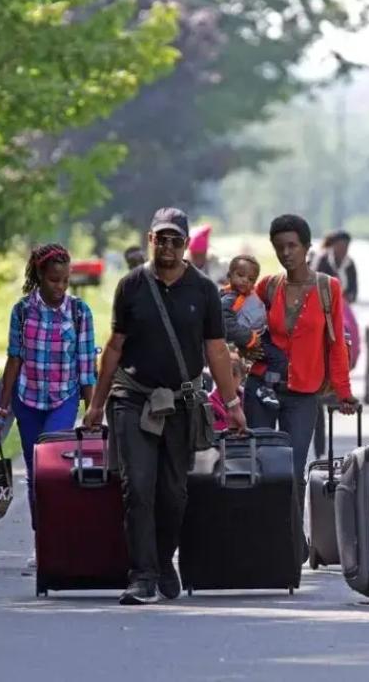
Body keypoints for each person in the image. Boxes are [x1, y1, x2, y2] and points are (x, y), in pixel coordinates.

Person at [83, 207, 247, 605]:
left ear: (186, 245)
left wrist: (232, 403)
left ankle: (162, 559)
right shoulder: (131, 286)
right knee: (137, 488)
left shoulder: (203, 290)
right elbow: (115, 347)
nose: (168, 247)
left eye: (176, 240)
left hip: (181, 403)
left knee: (174, 494)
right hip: (132, 398)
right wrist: (96, 403)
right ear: (150, 240)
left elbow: (216, 350)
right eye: (161, 239)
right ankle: (142, 575)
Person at [0, 244, 96, 569]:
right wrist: (2, 407)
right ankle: (42, 544)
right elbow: (14, 358)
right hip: (27, 400)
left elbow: (86, 366)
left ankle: (59, 541)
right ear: (40, 276)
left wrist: (92, 409)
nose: (60, 287)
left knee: (54, 471)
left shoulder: (79, 312)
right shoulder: (23, 311)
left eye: (65, 280)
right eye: (54, 280)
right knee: (35, 474)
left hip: (63, 399)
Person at [244, 214, 359, 485]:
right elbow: (241, 322)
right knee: (259, 472)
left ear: (307, 247)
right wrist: (246, 347)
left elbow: (336, 344)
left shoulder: (328, 288)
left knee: (293, 475)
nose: (286, 253)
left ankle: (292, 516)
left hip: (303, 395)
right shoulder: (267, 286)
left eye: (292, 245)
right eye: (279, 247)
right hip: (261, 388)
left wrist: (344, 393)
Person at [220, 255, 287, 410]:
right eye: (240, 275)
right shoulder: (229, 299)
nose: (245, 281)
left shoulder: (247, 296)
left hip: (258, 335)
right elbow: (226, 324)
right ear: (230, 275)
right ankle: (267, 388)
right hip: (253, 339)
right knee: (278, 359)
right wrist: (249, 338)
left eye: (250, 279)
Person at [312, 230, 358, 304]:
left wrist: (348, 297)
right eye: (341, 246)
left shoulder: (349, 264)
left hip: (342, 303)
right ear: (333, 245)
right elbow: (315, 285)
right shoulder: (323, 259)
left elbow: (353, 289)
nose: (343, 249)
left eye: (346, 246)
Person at [208, 347, 246, 433]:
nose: (229, 380)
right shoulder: (210, 402)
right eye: (225, 376)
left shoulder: (248, 398)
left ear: (242, 376)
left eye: (234, 374)